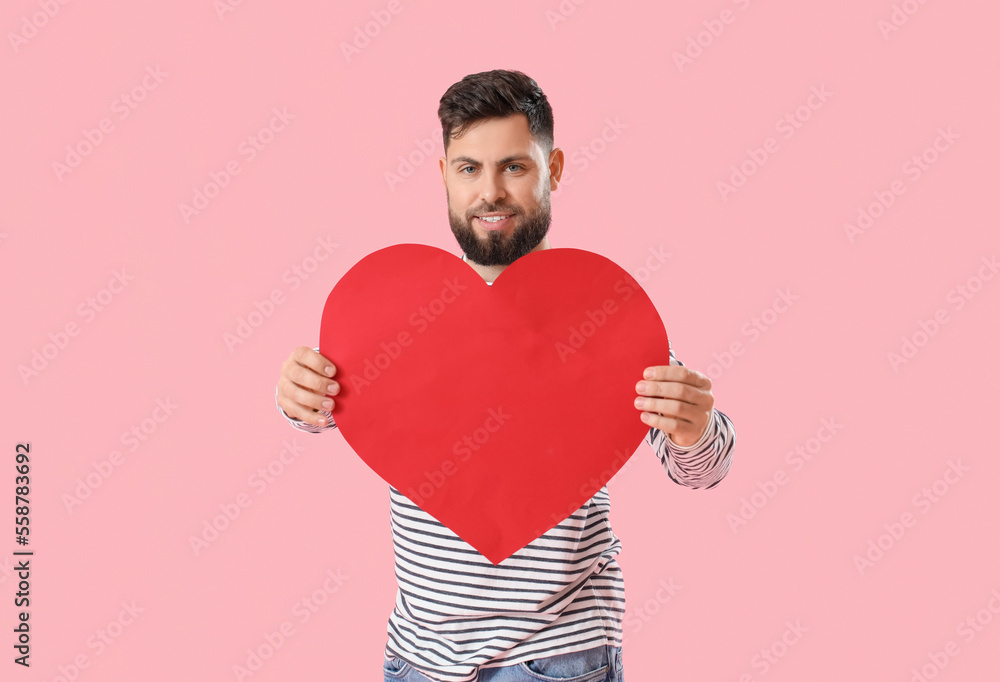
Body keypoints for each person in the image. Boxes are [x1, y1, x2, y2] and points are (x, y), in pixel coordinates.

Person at [275, 69, 736, 682]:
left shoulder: (605, 316)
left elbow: (701, 469)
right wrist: (296, 397)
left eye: (514, 167)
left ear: (555, 169)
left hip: (558, 656)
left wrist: (695, 428)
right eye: (469, 169)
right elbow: (330, 404)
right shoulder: (395, 315)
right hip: (418, 658)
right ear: (443, 175)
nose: (490, 192)